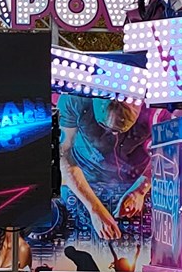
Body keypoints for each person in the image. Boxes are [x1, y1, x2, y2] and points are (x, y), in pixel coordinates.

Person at [58, 96, 150, 241]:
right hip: (82, 177)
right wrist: (95, 209)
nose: (113, 135)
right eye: (105, 127)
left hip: (134, 176)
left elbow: (167, 156)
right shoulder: (75, 97)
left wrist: (140, 190)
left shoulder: (156, 108)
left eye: (120, 130)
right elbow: (62, 155)